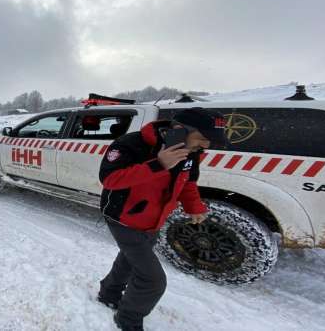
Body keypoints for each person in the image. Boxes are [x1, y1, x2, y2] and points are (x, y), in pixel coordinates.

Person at [97, 107, 227, 330]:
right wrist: (158, 165)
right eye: (204, 138)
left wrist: (194, 207)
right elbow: (110, 179)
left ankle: (108, 293)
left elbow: (188, 183)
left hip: (154, 220)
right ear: (179, 130)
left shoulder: (190, 152)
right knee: (153, 280)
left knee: (129, 259)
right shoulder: (132, 143)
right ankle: (128, 319)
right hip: (123, 218)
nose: (206, 145)